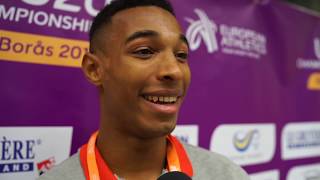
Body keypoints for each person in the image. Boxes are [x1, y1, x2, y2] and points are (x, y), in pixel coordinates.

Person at [38, 0, 250, 179]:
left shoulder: (226, 174)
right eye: (144, 51)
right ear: (94, 69)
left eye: (181, 55)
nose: (174, 71)